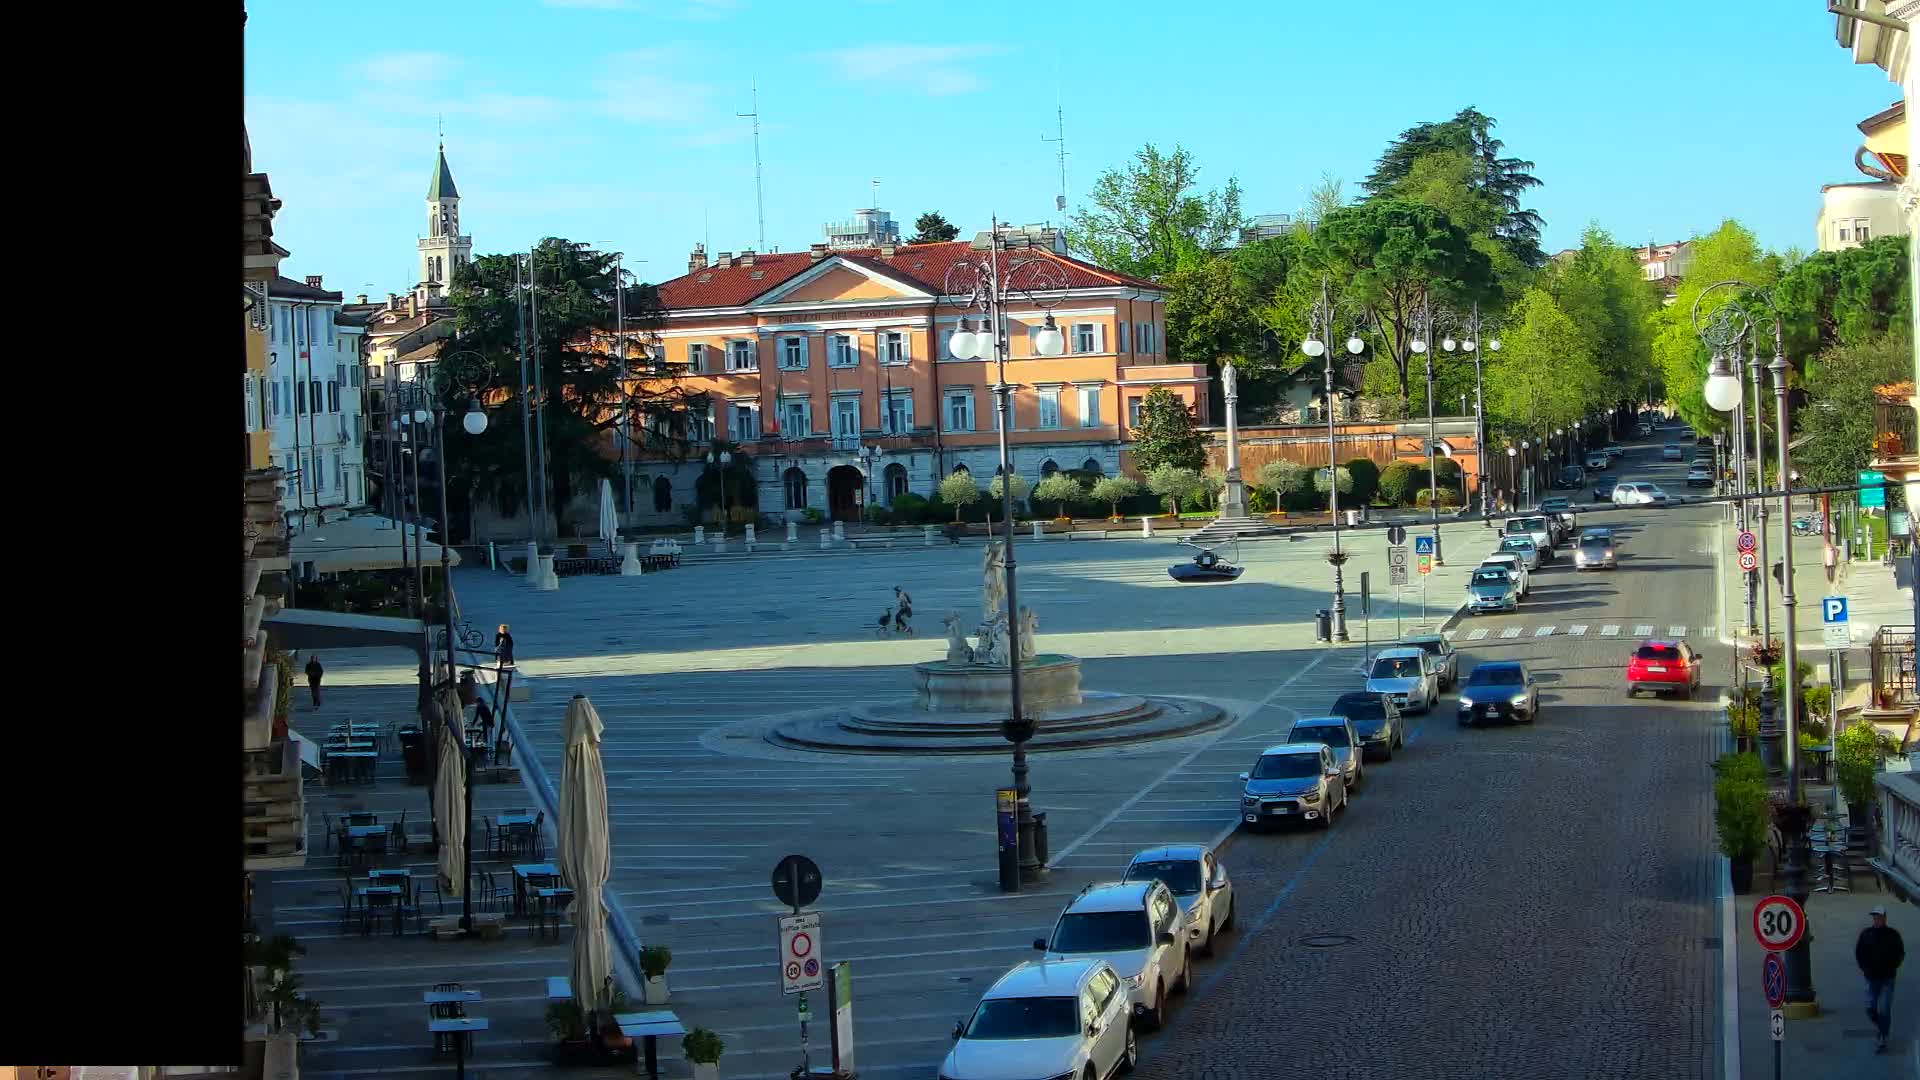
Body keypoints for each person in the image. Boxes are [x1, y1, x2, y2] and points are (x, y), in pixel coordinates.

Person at [1856, 904, 1905, 1053]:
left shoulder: (1893, 935)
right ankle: (1881, 1027)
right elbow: (1859, 953)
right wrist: (1865, 968)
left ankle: (1882, 1036)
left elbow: (1900, 953)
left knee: (1884, 1009)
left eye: (1879, 917)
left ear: (1884, 918)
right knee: (1870, 1007)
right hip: (1871, 978)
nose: (1876, 919)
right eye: (1875, 917)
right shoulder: (1866, 934)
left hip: (1887, 978)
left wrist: (1893, 966)